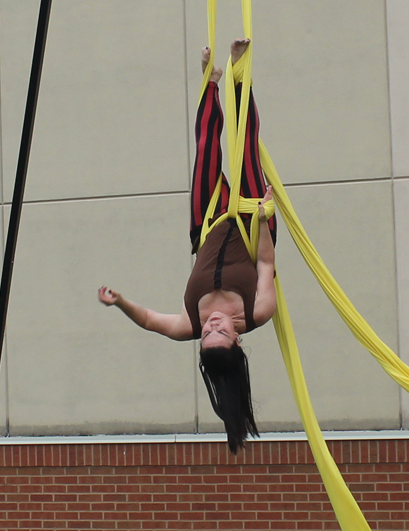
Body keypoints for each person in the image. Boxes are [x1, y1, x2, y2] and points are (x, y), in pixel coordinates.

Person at [98, 39, 276, 453]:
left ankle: (211, 81)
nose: (211, 326)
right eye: (219, 332)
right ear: (237, 340)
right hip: (253, 222)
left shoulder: (188, 325)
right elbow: (266, 265)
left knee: (204, 149)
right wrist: (266, 216)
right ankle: (238, 73)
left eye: (206, 334)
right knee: (245, 144)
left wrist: (120, 301)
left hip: (207, 223)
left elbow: (147, 321)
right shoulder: (257, 312)